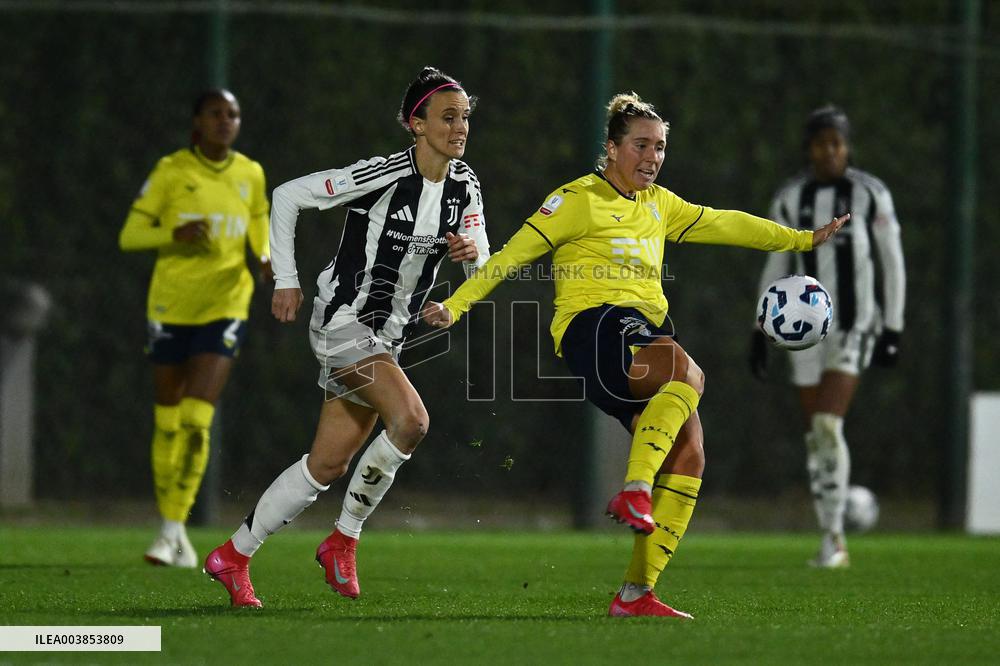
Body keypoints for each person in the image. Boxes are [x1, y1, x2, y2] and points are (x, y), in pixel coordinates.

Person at [423, 92, 846, 619]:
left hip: (637, 334)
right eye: (641, 145)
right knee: (685, 370)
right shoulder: (577, 199)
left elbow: (727, 223)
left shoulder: (660, 205)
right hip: (592, 328)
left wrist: (802, 238)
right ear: (612, 148)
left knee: (691, 450)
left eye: (661, 147)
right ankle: (636, 487)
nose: (653, 157)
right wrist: (456, 306)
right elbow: (510, 257)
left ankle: (635, 594)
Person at [203, 66, 489, 608]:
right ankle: (343, 539)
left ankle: (234, 556)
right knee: (412, 420)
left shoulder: (465, 186)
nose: (460, 127)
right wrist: (285, 280)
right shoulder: (382, 174)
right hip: (343, 322)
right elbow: (287, 196)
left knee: (326, 465)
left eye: (465, 117)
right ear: (415, 123)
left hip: (389, 336)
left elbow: (484, 262)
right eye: (447, 117)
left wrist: (473, 260)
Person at [119, 89, 272, 567]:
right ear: (197, 123)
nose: (226, 121)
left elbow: (258, 223)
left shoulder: (250, 172)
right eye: (215, 114)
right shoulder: (172, 172)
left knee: (196, 418)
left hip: (226, 304)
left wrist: (265, 258)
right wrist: (174, 233)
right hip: (171, 304)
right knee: (167, 421)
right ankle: (173, 529)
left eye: (233, 113)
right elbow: (130, 236)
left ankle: (170, 531)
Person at [749, 105, 905, 568]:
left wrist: (893, 327)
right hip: (804, 334)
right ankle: (830, 531)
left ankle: (834, 538)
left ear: (847, 146)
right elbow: (776, 264)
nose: (829, 150)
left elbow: (891, 261)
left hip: (856, 324)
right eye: (821, 142)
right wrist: (758, 330)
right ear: (809, 148)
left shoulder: (870, 194)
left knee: (827, 425)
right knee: (815, 436)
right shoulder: (790, 198)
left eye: (836, 142)